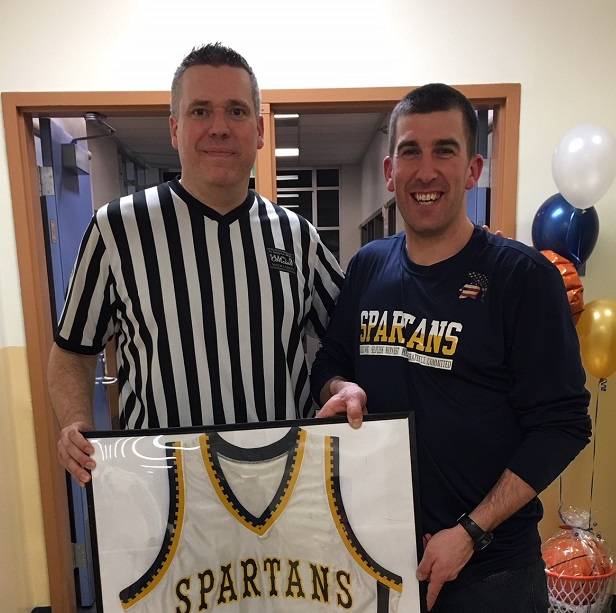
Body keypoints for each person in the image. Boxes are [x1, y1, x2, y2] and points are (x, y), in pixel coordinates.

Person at [311, 83, 591, 612]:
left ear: (473, 169)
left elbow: (564, 423)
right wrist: (341, 386)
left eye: (446, 150)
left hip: (491, 571)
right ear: (391, 171)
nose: (426, 170)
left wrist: (470, 531)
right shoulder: (369, 266)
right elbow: (330, 361)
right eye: (411, 151)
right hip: (379, 558)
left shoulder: (522, 278)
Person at [48, 43, 343, 487]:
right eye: (201, 111)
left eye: (237, 112)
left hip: (285, 490)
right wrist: (74, 420)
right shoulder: (117, 229)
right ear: (175, 127)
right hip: (161, 490)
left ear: (260, 130)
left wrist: (340, 386)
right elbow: (73, 350)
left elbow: (348, 337)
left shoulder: (297, 236)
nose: (219, 128)